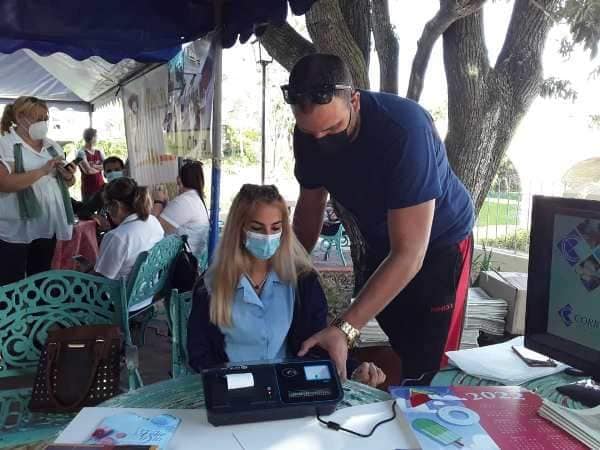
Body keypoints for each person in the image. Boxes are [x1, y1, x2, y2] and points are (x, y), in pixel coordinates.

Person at [283, 54, 475, 384]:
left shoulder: (404, 131)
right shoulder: (309, 136)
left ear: (354, 101)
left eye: (332, 128)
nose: (321, 141)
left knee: (430, 366)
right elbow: (309, 208)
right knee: (399, 339)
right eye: (311, 132)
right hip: (381, 242)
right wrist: (287, 269)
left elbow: (409, 254)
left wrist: (344, 328)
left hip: (438, 247)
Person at [187, 184, 386, 387]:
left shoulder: (302, 282)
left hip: (289, 389)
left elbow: (314, 345)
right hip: (231, 389)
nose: (267, 236)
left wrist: (354, 371)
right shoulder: (210, 285)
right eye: (256, 228)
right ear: (238, 229)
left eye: (275, 228)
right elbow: (198, 354)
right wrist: (229, 384)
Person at [0, 96, 76, 285]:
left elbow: (67, 183)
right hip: (15, 227)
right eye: (37, 118)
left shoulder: (51, 144)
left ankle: (38, 313)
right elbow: (4, 183)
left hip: (46, 223)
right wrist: (42, 171)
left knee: (40, 277)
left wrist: (68, 176)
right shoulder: (5, 142)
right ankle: (11, 314)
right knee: (10, 280)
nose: (43, 123)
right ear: (20, 117)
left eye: (45, 118)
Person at [93, 177, 164, 310]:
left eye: (107, 207)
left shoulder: (118, 237)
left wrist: (87, 271)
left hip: (121, 302)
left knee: (65, 289)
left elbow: (101, 282)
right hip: (147, 295)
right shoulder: (153, 222)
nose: (107, 212)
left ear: (116, 206)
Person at [151, 160, 209, 260]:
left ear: (179, 180)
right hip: (191, 257)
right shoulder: (194, 198)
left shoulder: (185, 201)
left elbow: (153, 230)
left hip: (183, 262)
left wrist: (158, 201)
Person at [74, 156, 126, 230]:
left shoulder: (132, 189)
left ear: (123, 171)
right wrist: (94, 216)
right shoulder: (103, 191)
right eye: (109, 171)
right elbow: (84, 210)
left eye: (117, 170)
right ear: (104, 174)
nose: (113, 173)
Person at [77, 128, 105, 201]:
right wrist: (100, 168)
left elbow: (106, 166)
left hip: (101, 187)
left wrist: (94, 166)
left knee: (103, 211)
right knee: (87, 211)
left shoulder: (99, 151)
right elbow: (88, 171)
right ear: (92, 138)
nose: (97, 139)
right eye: (96, 137)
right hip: (88, 190)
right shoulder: (81, 153)